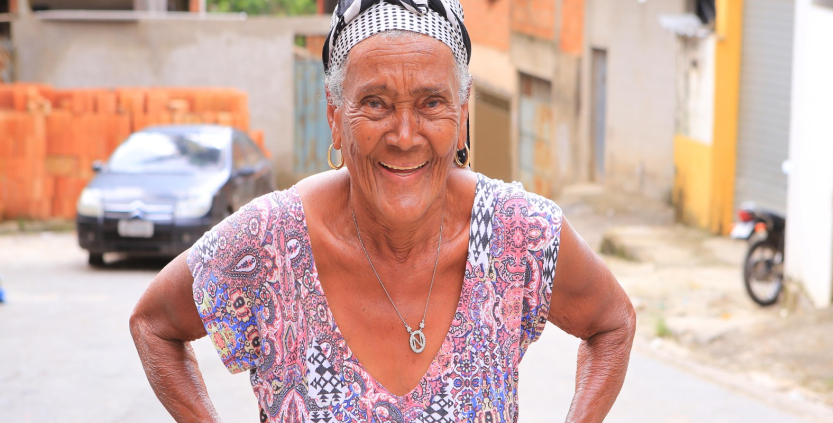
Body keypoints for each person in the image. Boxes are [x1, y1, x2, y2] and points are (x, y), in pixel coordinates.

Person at [129, 0, 636, 421]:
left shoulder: (517, 232)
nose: (405, 135)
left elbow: (612, 322)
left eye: (432, 102)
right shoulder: (272, 240)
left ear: (462, 117)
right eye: (375, 103)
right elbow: (154, 323)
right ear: (334, 118)